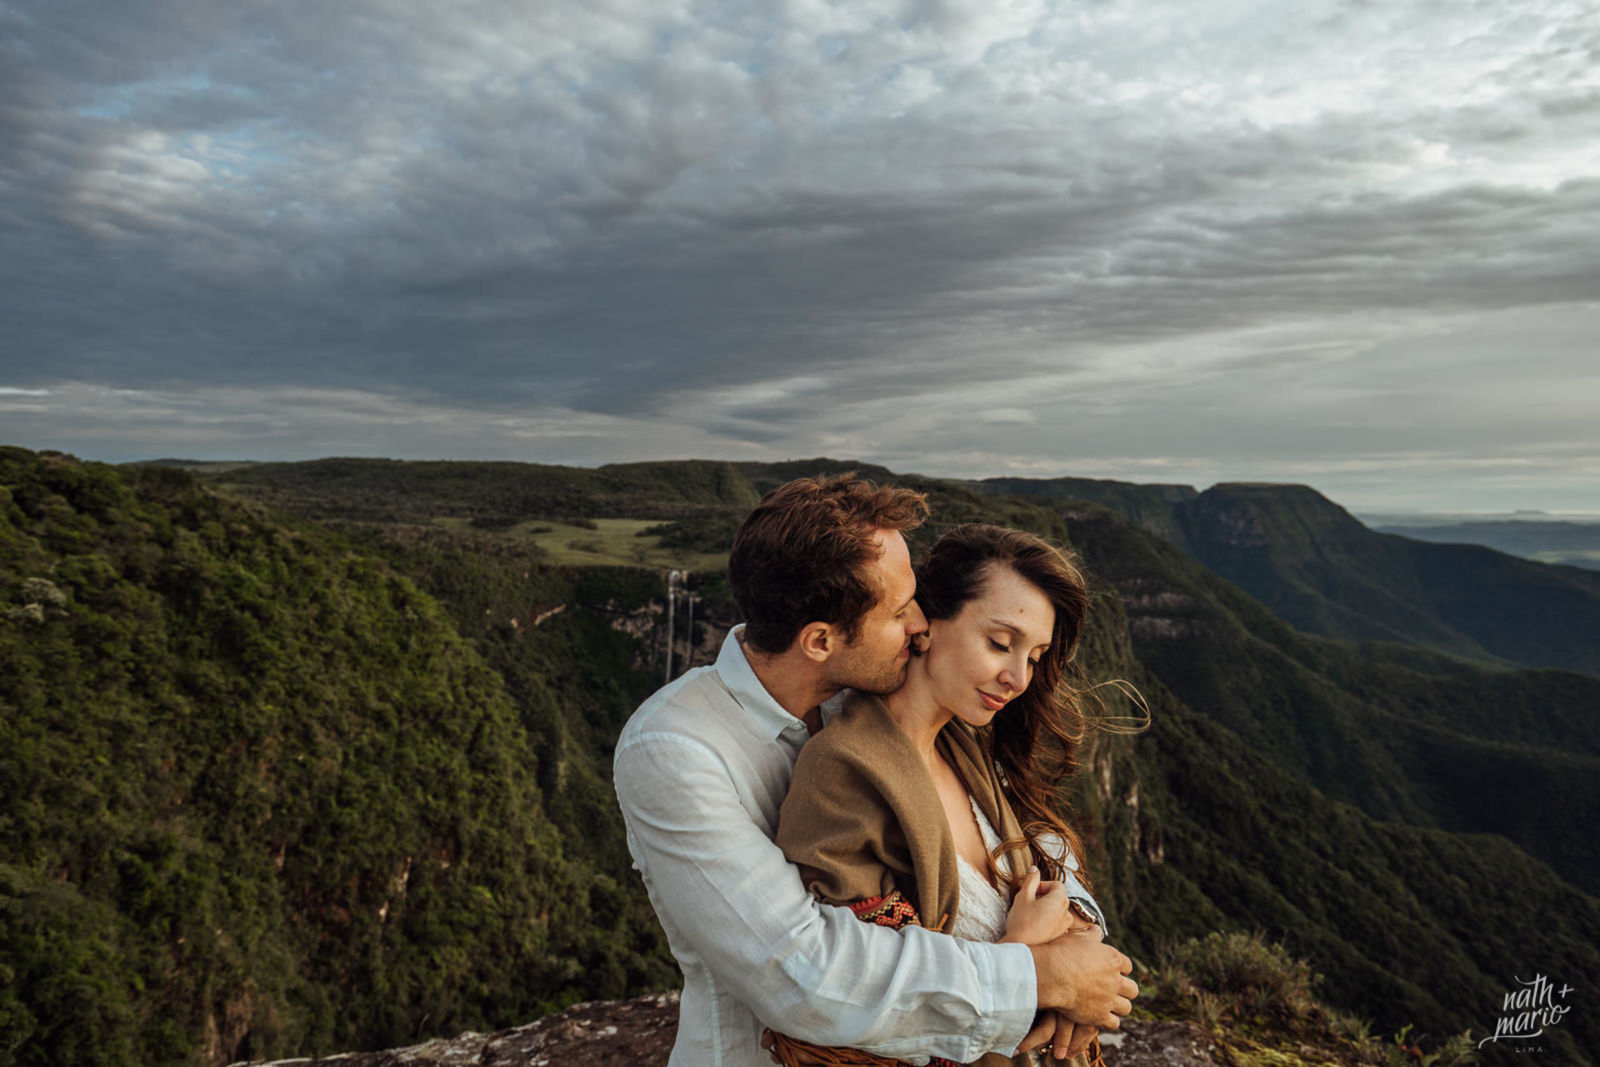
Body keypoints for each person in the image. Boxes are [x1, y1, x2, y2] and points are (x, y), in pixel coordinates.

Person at [614, 474, 1138, 1066]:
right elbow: (801, 969)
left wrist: (1075, 930)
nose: (920, 623)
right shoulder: (675, 749)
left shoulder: (883, 699)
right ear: (819, 640)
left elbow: (1022, 832)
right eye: (898, 611)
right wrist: (1037, 974)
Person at [768, 523, 1121, 1066]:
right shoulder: (844, 770)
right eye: (1000, 644)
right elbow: (871, 992)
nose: (1018, 677)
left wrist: (1075, 946)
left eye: (1034, 655)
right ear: (926, 627)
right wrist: (1030, 967)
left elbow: (1054, 863)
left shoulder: (966, 744)